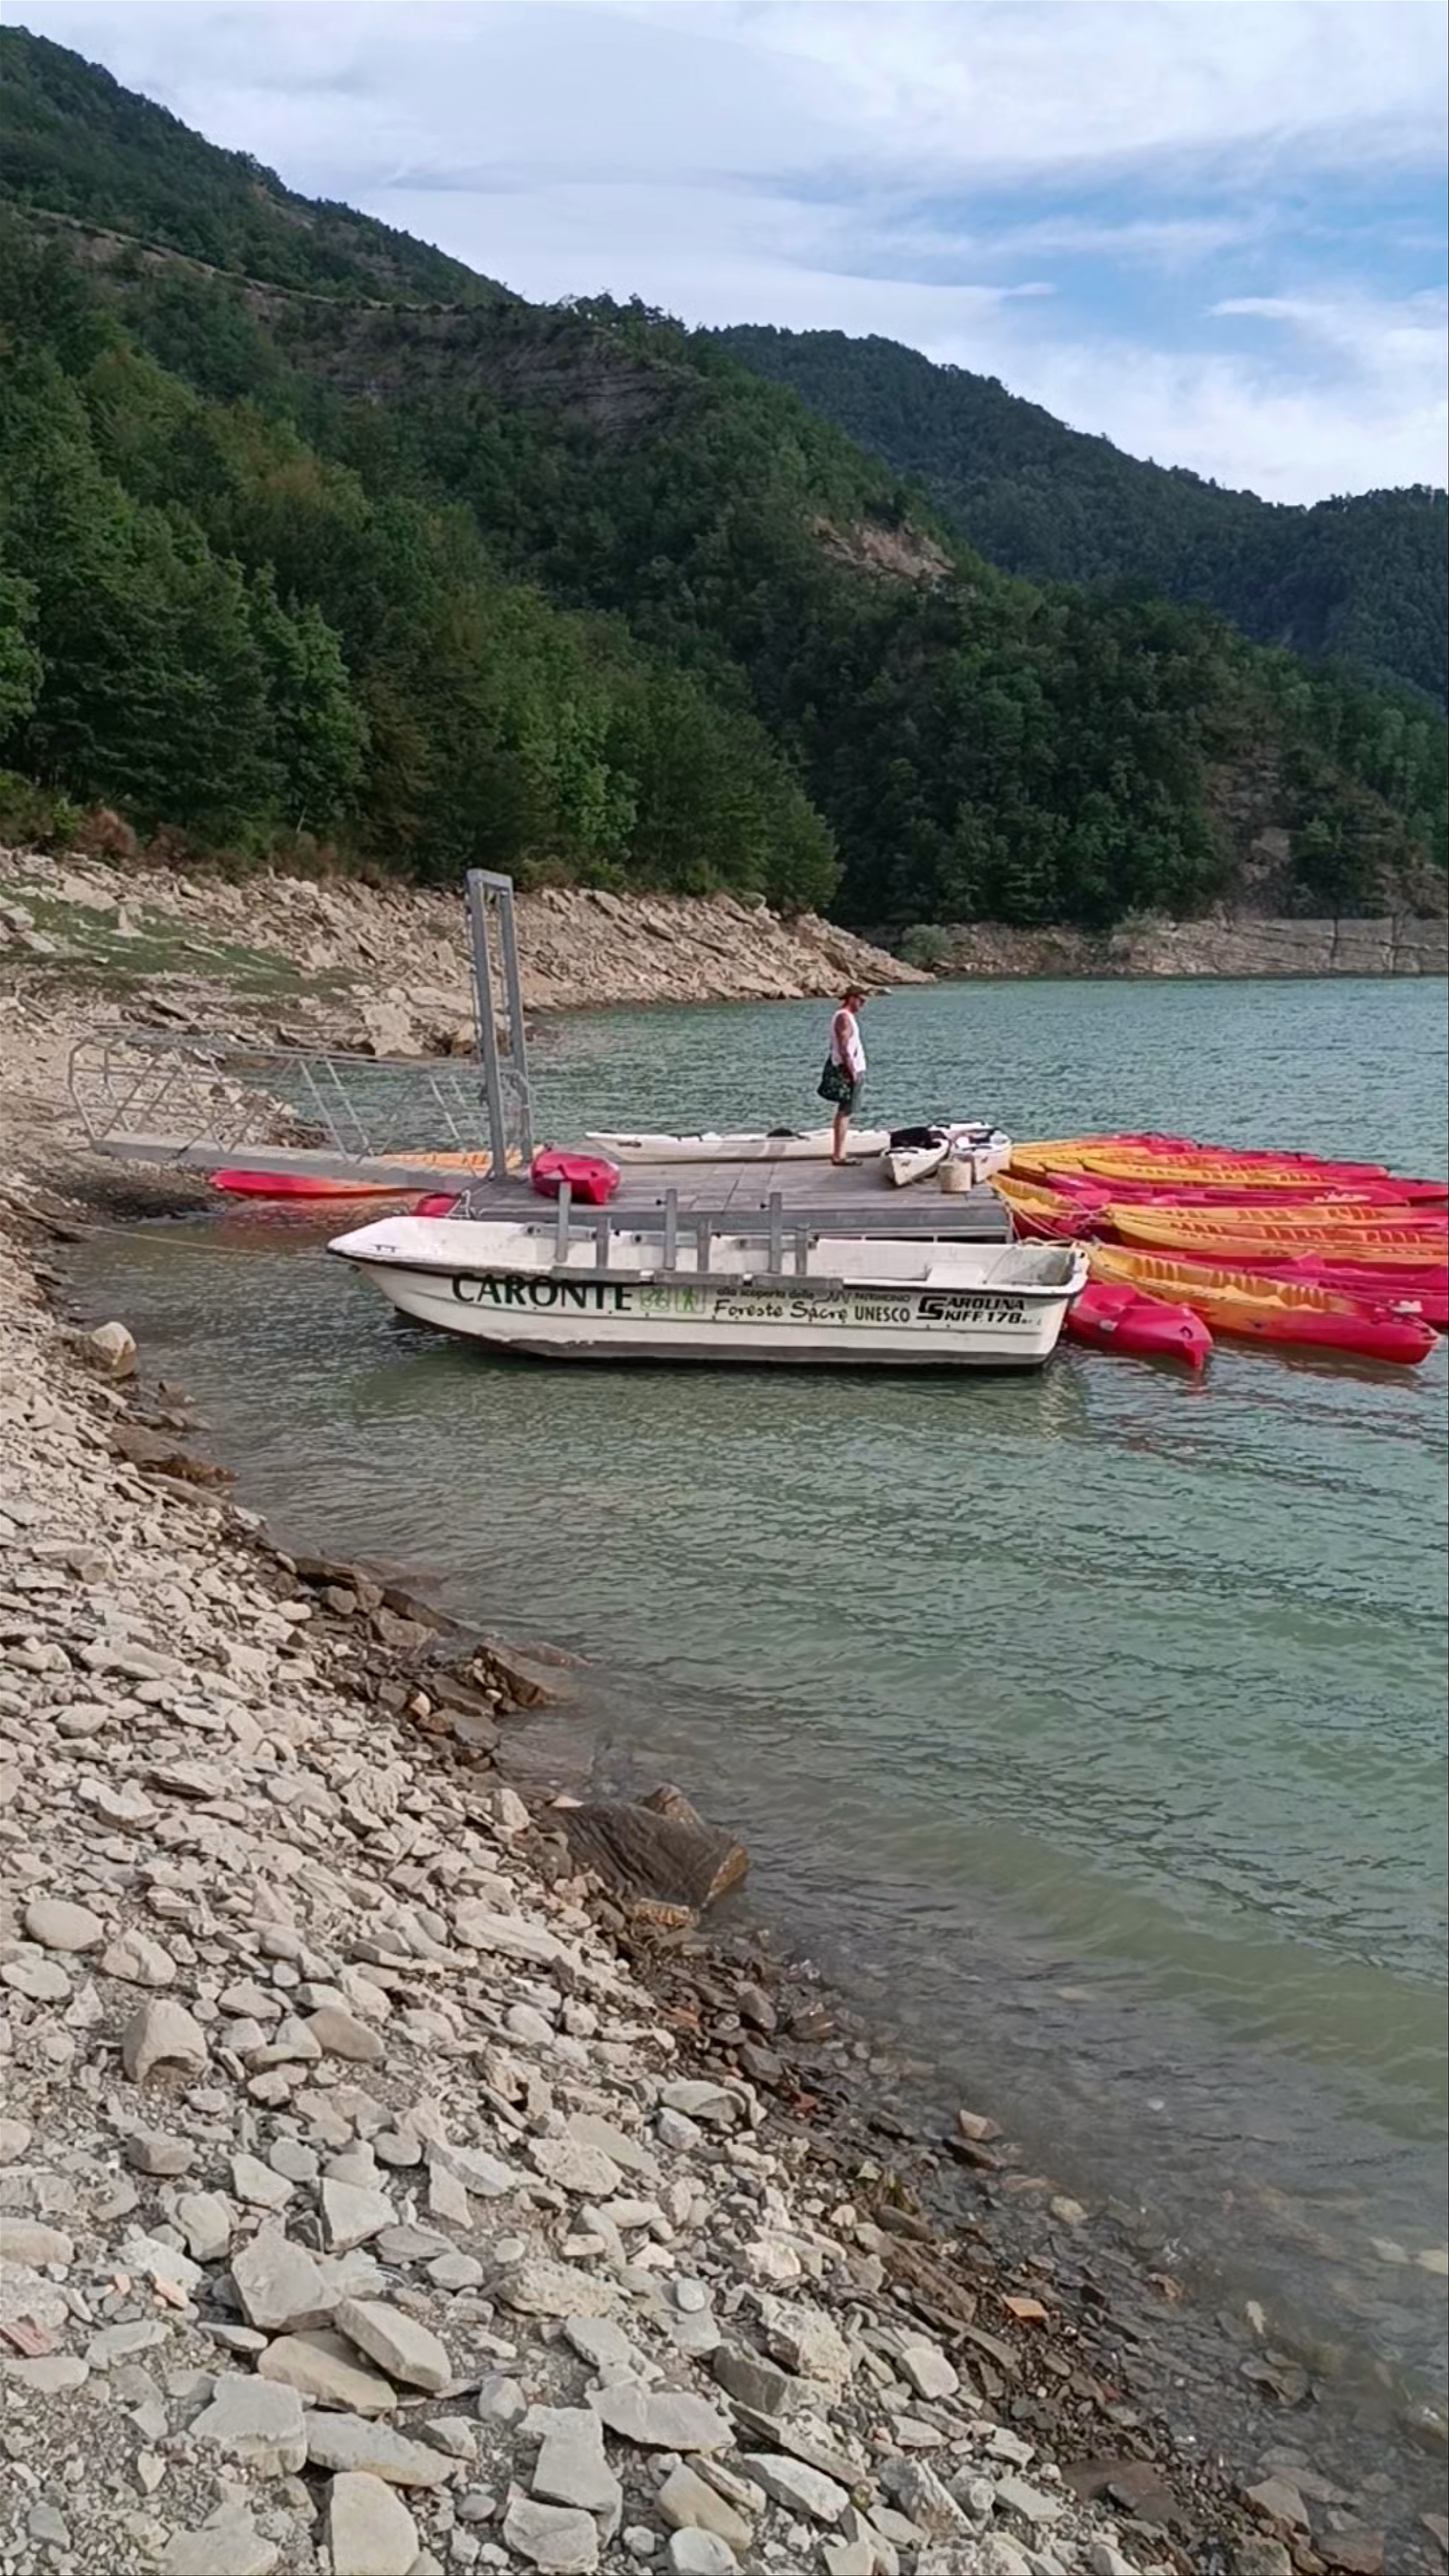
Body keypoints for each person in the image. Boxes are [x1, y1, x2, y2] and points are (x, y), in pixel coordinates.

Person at [818, 983, 868, 1165]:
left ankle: (839, 1153)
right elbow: (844, 1048)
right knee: (845, 1111)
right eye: (861, 1000)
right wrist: (852, 1071)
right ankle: (839, 1155)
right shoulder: (844, 1018)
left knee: (847, 1110)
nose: (863, 1004)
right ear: (852, 999)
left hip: (849, 1067)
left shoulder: (845, 1018)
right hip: (848, 1069)